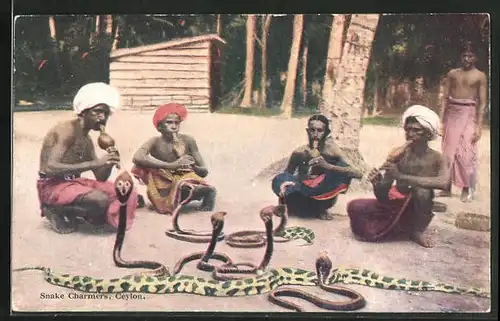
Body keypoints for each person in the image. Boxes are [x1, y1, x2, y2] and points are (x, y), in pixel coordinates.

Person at [37, 82, 139, 234]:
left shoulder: (87, 140)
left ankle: (87, 213)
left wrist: (109, 162)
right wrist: (94, 163)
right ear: (83, 112)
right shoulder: (67, 130)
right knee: (100, 200)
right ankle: (53, 209)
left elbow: (100, 177)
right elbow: (49, 168)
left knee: (127, 193)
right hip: (52, 185)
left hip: (72, 182)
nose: (102, 117)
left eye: (105, 114)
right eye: (97, 112)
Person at [347, 105, 450, 248]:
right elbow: (383, 197)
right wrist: (377, 184)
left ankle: (417, 231)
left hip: (418, 207)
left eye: (416, 130)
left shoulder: (438, 158)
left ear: (427, 133)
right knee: (354, 206)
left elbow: (444, 183)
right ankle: (400, 228)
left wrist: (401, 176)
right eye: (408, 130)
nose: (410, 134)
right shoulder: (399, 155)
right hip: (396, 205)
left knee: (422, 191)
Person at [271, 114, 363, 220]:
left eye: (320, 131)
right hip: (301, 194)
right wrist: (282, 201)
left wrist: (328, 166)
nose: (315, 134)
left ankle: (320, 210)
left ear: (326, 133)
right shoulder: (300, 152)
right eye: (312, 130)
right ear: (307, 131)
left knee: (341, 169)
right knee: (280, 180)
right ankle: (291, 207)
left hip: (323, 198)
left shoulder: (332, 151)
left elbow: (358, 173)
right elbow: (286, 176)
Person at [131, 103, 216, 215]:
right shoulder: (155, 141)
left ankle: (206, 192)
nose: (174, 126)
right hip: (164, 179)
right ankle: (180, 195)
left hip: (185, 176)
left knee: (185, 187)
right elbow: (137, 157)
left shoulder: (187, 140)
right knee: (142, 168)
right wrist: (171, 165)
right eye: (169, 122)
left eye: (176, 122)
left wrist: (192, 166)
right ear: (160, 127)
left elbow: (204, 171)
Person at [439, 41, 488, 202]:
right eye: (464, 55)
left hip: (469, 113)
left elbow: (482, 102)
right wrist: (441, 121)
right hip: (452, 112)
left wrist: (479, 126)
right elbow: (445, 97)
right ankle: (445, 187)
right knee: (448, 151)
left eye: (470, 56)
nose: (467, 58)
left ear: (475, 58)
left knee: (466, 152)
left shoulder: (480, 76)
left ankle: (466, 189)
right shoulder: (453, 73)